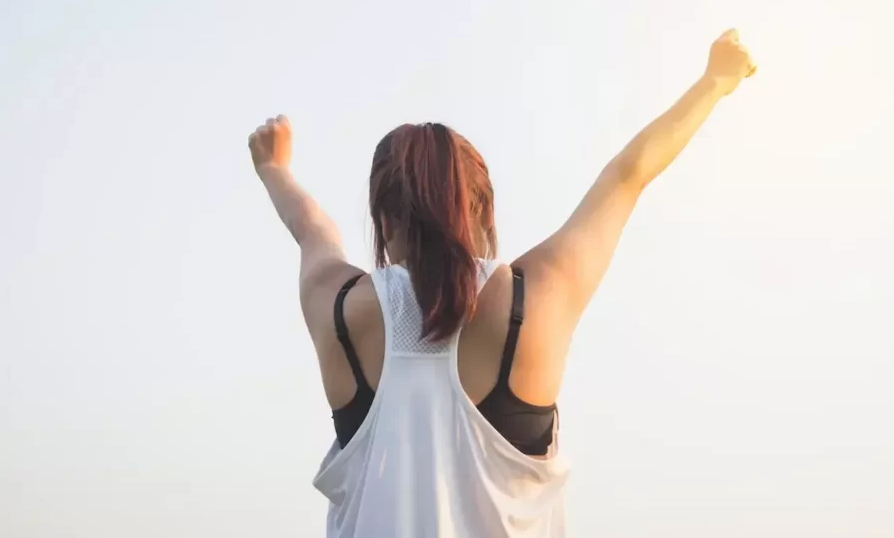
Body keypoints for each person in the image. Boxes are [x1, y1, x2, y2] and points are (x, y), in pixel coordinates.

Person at [248, 29, 758, 537]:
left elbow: (313, 229)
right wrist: (714, 82)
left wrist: (274, 168)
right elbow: (626, 176)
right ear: (483, 210)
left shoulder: (339, 311)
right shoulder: (535, 298)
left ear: (382, 220)